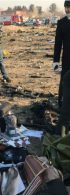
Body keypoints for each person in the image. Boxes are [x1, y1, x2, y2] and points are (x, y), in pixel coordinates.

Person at [55, 0, 70, 135]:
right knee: (63, 85)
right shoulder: (62, 23)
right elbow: (58, 44)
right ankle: (62, 106)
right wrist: (55, 61)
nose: (68, 10)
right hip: (66, 61)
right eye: (67, 7)